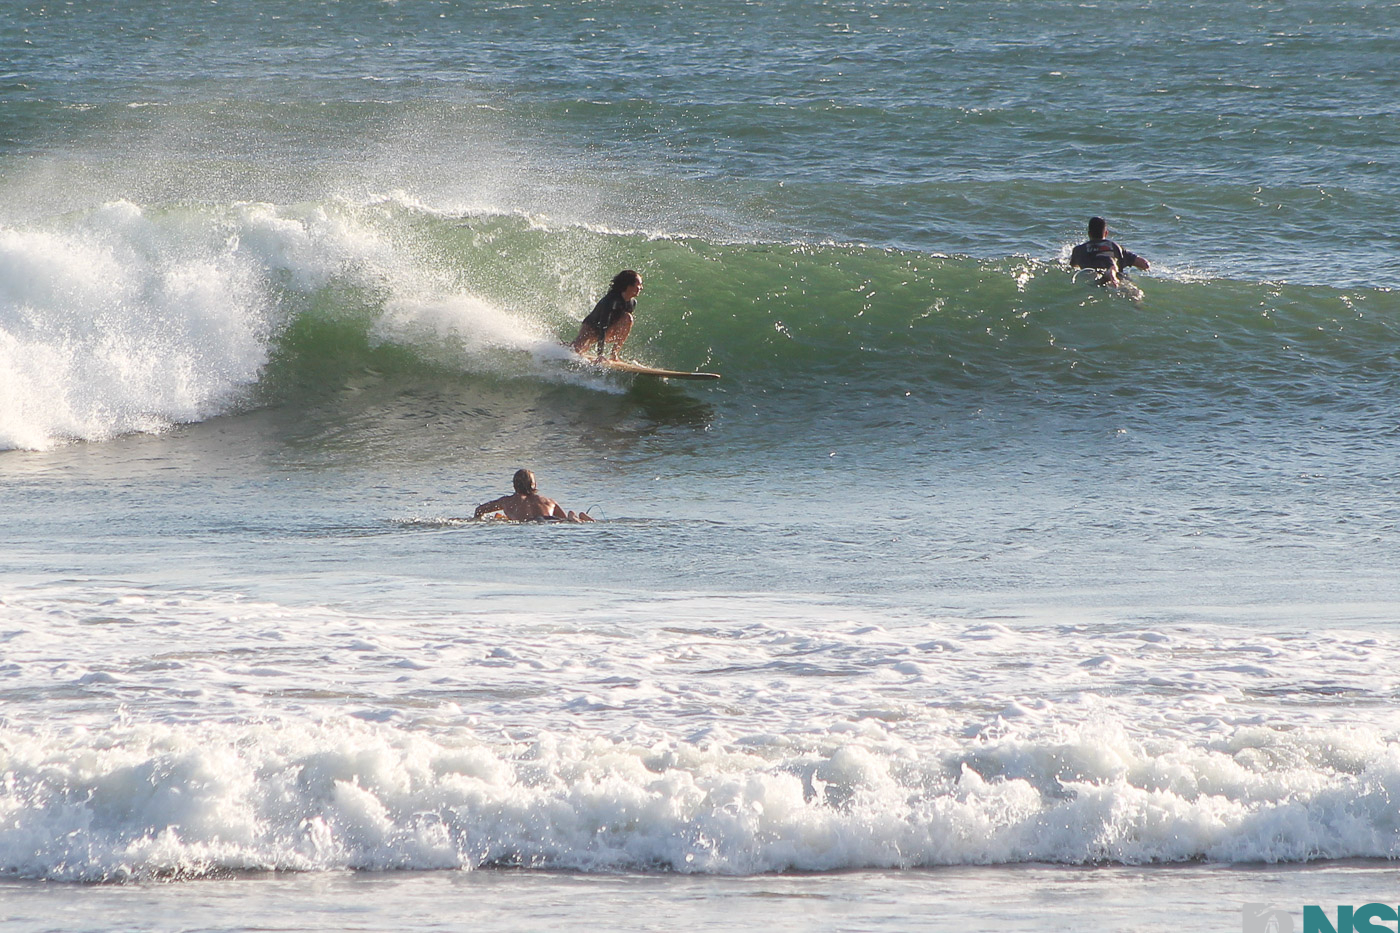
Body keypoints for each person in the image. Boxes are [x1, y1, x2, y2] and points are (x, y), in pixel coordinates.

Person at [570, 270, 642, 360]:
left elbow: (624, 326)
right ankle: (556, 347)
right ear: (628, 286)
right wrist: (600, 355)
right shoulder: (611, 301)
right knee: (574, 351)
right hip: (591, 328)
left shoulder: (632, 303)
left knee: (629, 318)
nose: (641, 288)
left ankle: (614, 354)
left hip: (609, 329)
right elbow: (602, 326)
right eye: (638, 285)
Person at [473, 469, 594, 522]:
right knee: (567, 521)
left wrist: (479, 521)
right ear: (534, 485)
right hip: (550, 520)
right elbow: (562, 518)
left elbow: (479, 510)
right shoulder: (548, 501)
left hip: (528, 521)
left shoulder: (506, 501)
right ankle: (578, 517)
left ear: (514, 485)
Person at [1068, 216, 1150, 286]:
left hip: (1093, 280)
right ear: (1106, 233)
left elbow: (1072, 267)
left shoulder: (1078, 250)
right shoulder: (1115, 247)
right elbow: (1144, 264)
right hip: (1117, 279)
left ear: (1089, 233)